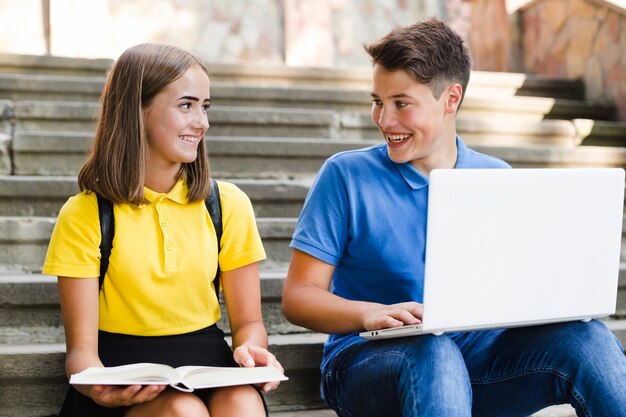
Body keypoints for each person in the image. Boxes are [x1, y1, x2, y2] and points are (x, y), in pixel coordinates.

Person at [282, 18, 626, 417]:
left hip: (477, 363)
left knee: (588, 339)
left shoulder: (496, 177)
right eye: (377, 101)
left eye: (401, 103)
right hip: (368, 360)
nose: (384, 119)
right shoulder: (345, 176)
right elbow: (298, 297)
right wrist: (368, 313)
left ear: (451, 99)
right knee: (434, 351)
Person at [43, 43, 283, 417]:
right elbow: (81, 355)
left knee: (243, 403)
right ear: (135, 111)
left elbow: (250, 323)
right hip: (123, 371)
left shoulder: (228, 204)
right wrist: (97, 385)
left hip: (206, 361)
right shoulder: (85, 213)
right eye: (186, 105)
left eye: (205, 106)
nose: (201, 122)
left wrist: (251, 348)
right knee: (182, 412)